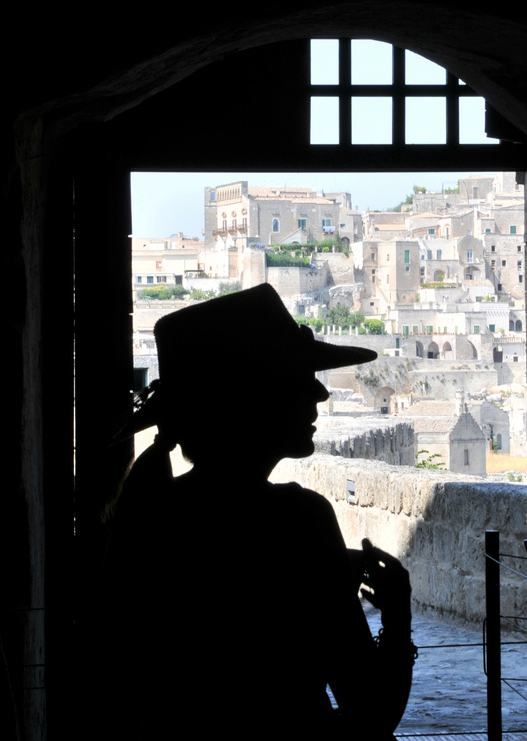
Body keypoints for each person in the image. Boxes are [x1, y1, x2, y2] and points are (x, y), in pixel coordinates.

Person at [94, 284, 416, 739]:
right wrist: (397, 617)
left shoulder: (150, 516)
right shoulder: (300, 521)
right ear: (251, 399)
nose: (320, 393)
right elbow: (371, 710)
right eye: (297, 378)